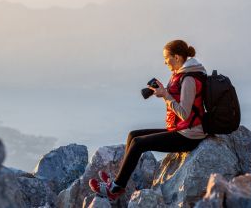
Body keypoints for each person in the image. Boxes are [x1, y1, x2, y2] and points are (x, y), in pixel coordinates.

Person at [88, 39, 208, 201]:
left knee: (138, 143)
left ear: (178, 57)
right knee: (133, 134)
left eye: (167, 58)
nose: (165, 62)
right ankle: (119, 180)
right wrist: (161, 91)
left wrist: (165, 96)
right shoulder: (182, 74)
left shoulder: (188, 79)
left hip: (189, 136)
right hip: (181, 130)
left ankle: (115, 189)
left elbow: (185, 113)